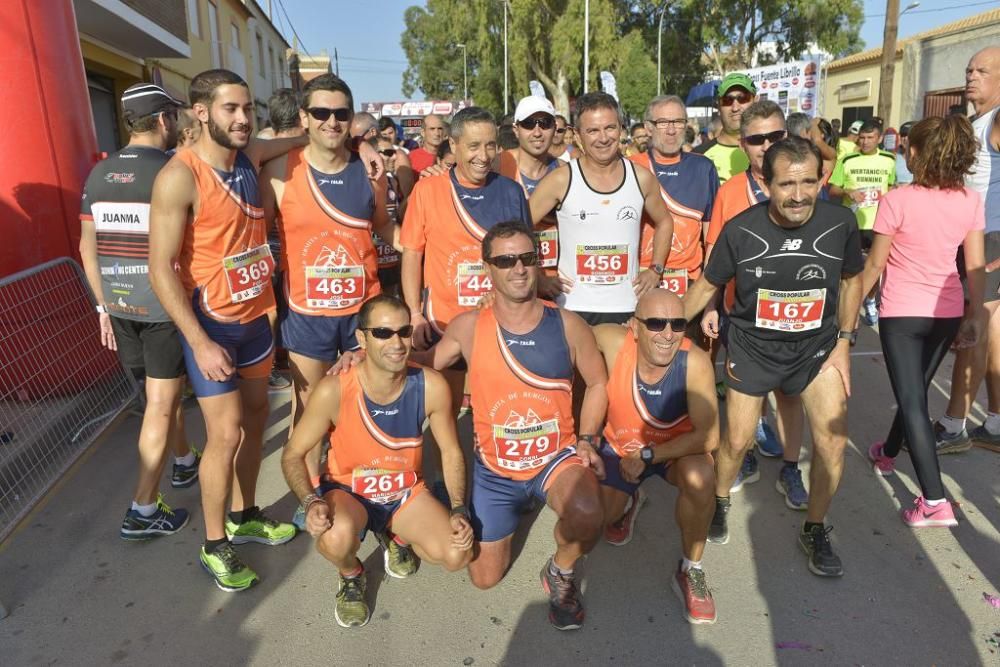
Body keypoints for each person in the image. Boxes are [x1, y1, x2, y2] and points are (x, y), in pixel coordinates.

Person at [148, 69, 313, 592]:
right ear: (201, 112)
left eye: (248, 109)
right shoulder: (180, 176)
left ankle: (245, 515)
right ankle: (214, 544)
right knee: (226, 434)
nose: (244, 119)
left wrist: (352, 140)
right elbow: (159, 267)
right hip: (213, 329)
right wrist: (198, 340)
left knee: (258, 418)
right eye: (231, 110)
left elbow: (298, 137)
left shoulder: (250, 155)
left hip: (255, 323)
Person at [683, 136, 863, 577]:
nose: (798, 195)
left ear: (822, 178)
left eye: (807, 182)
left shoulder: (841, 222)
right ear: (766, 184)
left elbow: (852, 280)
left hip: (816, 350)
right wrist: (663, 328)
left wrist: (844, 340)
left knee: (832, 442)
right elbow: (707, 287)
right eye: (786, 184)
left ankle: (815, 527)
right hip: (753, 348)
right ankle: (721, 499)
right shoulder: (741, 229)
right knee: (736, 441)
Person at [414, 221, 607, 630]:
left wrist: (588, 439)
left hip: (554, 461)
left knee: (590, 513)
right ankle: (507, 505)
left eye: (526, 258)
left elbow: (597, 383)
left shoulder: (567, 324)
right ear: (488, 268)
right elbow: (423, 365)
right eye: (505, 260)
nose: (518, 268)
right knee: (483, 578)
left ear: (537, 263)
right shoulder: (468, 327)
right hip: (496, 473)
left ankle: (561, 571)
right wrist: (366, 357)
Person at [259, 74, 401, 536]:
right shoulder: (280, 171)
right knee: (309, 409)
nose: (332, 121)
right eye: (321, 113)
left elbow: (383, 227)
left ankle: (370, 488)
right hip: (308, 314)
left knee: (371, 402)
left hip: (364, 313)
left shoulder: (370, 169)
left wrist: (432, 250)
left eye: (342, 113)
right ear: (304, 118)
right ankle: (311, 490)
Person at [281, 295, 473, 628]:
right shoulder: (334, 389)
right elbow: (293, 454)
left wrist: (458, 509)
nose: (396, 343)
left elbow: (452, 451)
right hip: (349, 491)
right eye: (383, 333)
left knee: (459, 554)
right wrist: (311, 501)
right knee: (334, 537)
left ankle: (393, 532)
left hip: (403, 492)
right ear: (361, 339)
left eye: (403, 332)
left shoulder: (431, 385)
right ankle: (351, 573)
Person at [79, 83, 196, 539]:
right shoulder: (172, 170)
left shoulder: (98, 174)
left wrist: (102, 307)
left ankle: (184, 461)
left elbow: (87, 248)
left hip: (118, 304)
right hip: (161, 307)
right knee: (163, 403)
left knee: (157, 395)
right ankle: (143, 509)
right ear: (164, 119)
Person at [863, 115, 985, 527]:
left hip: (902, 314)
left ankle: (934, 500)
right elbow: (976, 267)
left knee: (913, 399)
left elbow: (874, 265)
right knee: (912, 390)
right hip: (947, 312)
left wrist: (846, 313)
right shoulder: (969, 200)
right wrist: (975, 316)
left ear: (914, 153)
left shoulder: (897, 199)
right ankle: (888, 453)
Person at [593, 289, 719, 624]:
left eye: (677, 324)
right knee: (599, 518)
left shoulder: (694, 362)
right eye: (656, 323)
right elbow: (561, 337)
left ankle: (691, 568)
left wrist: (648, 455)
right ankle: (629, 502)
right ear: (634, 326)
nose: (667, 333)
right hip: (620, 447)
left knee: (702, 478)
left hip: (671, 451)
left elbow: (709, 436)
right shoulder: (611, 339)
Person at [702, 101, 807, 498]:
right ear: (742, 144)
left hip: (795, 315)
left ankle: (791, 468)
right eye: (756, 139)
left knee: (789, 396)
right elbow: (714, 253)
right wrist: (710, 306)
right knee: (744, 395)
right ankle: (744, 449)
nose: (766, 145)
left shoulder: (805, 183)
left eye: (775, 136)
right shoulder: (730, 192)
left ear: (788, 136)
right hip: (742, 317)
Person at [528, 92, 674, 325]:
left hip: (627, 306)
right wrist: (538, 277)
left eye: (610, 128)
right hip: (572, 307)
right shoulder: (561, 180)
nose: (603, 138)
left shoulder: (641, 178)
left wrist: (656, 269)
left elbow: (665, 221)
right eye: (593, 131)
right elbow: (518, 228)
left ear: (621, 129)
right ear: (577, 135)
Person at [935, 46, 1000, 452]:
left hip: (991, 238)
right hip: (979, 236)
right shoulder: (977, 121)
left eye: (983, 70)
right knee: (993, 335)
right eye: (969, 69)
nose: (971, 76)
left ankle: (954, 424)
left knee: (973, 329)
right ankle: (995, 424)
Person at [630, 95, 718, 303]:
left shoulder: (703, 168)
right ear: (648, 128)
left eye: (678, 122)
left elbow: (711, 237)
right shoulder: (631, 166)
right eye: (663, 123)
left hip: (688, 283)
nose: (671, 130)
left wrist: (710, 297)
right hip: (640, 281)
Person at [828, 119, 895, 325]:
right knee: (850, 269)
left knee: (877, 266)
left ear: (879, 138)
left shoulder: (889, 160)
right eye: (862, 138)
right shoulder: (848, 160)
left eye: (870, 138)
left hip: (879, 224)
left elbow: (892, 188)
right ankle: (848, 308)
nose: (865, 142)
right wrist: (848, 191)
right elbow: (832, 190)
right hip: (854, 223)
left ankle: (870, 299)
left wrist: (888, 197)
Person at [262, 87, 305, 391]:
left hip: (261, 245)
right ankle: (285, 361)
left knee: (270, 309)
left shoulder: (258, 148)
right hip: (292, 247)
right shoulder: (304, 152)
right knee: (282, 310)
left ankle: (267, 367)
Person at [498, 96, 564, 272]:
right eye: (528, 123)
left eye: (545, 123)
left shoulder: (565, 171)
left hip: (556, 279)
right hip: (512, 275)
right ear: (516, 129)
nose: (537, 132)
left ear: (554, 128)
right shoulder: (497, 165)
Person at [694, 73, 756, 183]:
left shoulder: (770, 152)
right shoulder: (698, 157)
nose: (735, 107)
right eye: (727, 100)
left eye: (743, 98)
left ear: (755, 101)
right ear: (718, 106)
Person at [893, 121, 915, 186]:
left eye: (909, 135)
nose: (905, 138)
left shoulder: (925, 158)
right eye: (903, 135)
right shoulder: (893, 157)